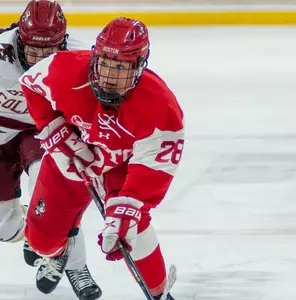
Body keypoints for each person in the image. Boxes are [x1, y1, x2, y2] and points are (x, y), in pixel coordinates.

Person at [0, 1, 102, 299]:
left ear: (63, 42)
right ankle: (42, 231)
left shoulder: (80, 55)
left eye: (49, 50)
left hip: (42, 132)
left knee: (47, 193)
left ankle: (74, 261)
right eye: (34, 50)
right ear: (18, 40)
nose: (40, 59)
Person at [19, 16, 184, 300]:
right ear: (95, 57)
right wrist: (58, 133)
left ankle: (160, 294)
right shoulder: (65, 70)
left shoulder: (159, 104)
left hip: (121, 166)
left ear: (138, 68)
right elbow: (31, 85)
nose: (109, 74)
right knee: (42, 243)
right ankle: (61, 247)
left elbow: (153, 166)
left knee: (131, 228)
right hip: (71, 159)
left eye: (120, 67)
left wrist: (125, 211)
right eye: (105, 63)